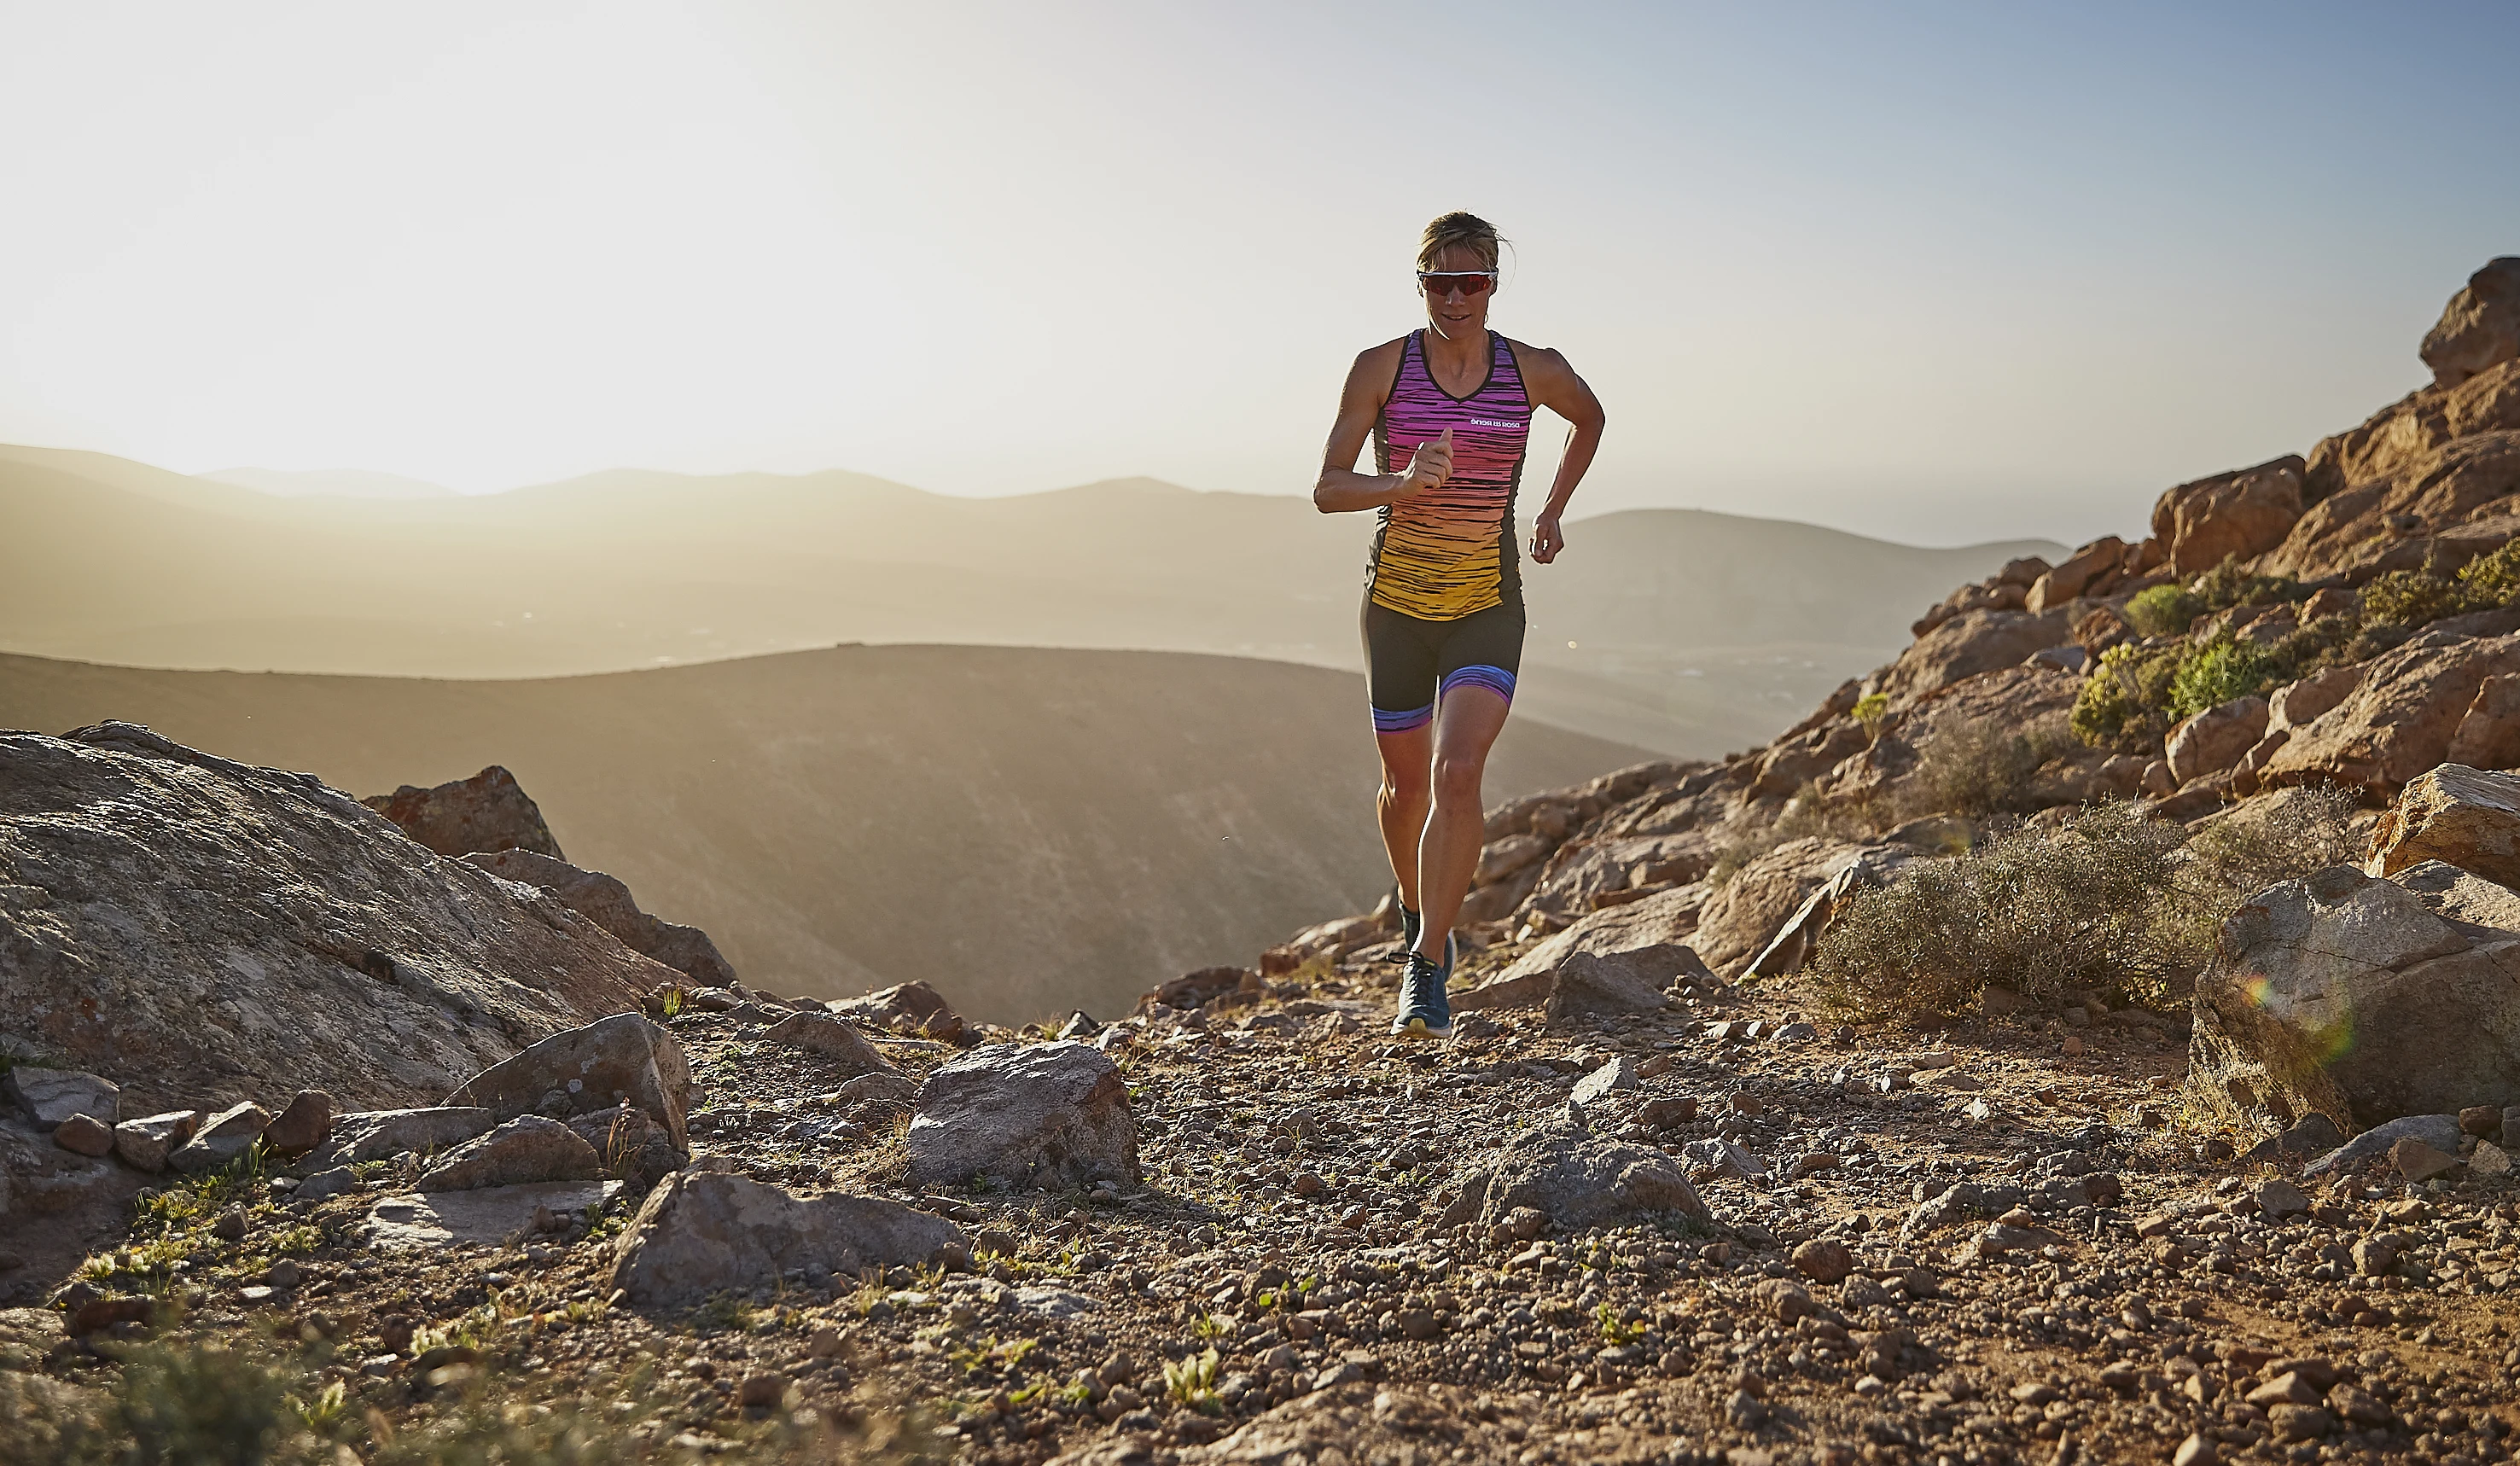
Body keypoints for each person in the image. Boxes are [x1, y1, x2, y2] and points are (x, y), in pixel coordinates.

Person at [1312, 211, 1606, 1038]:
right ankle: (1416, 912)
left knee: (1457, 773)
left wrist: (1550, 509)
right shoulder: (1380, 367)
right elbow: (1327, 486)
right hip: (1397, 609)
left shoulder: (1533, 369)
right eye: (1438, 281)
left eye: (1469, 280)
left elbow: (1590, 418)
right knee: (1404, 788)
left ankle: (1426, 963)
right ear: (1420, 283)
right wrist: (1399, 485)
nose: (1454, 296)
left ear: (1492, 284)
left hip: (1485, 605)